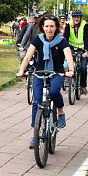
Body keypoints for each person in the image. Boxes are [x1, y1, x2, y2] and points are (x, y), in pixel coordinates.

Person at [17, 14, 74, 149]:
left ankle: (60, 112)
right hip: (40, 73)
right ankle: (34, 136)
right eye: (46, 26)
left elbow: (68, 56)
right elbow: (28, 56)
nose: (49, 29)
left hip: (56, 72)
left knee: (54, 92)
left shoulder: (61, 41)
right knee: (36, 102)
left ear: (56, 28)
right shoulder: (38, 39)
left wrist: (70, 70)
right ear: (42, 27)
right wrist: (21, 71)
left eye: (52, 26)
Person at [64, 9, 88, 95]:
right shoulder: (68, 25)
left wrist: (86, 51)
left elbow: (86, 39)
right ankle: (67, 79)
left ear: (81, 18)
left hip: (82, 49)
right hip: (71, 47)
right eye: (75, 17)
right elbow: (66, 38)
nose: (76, 19)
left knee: (83, 67)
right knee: (67, 63)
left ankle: (83, 86)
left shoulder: (85, 25)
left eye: (78, 17)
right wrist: (65, 49)